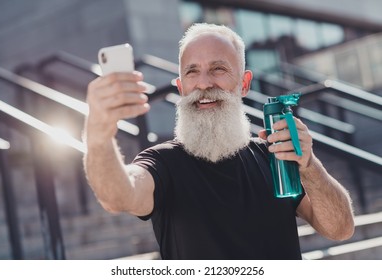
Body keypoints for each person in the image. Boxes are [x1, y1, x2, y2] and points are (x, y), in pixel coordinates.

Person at [83, 23, 354, 260]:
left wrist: (309, 166)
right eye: (192, 72)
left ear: (244, 83)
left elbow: (340, 228)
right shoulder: (161, 163)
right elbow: (118, 196)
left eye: (218, 69)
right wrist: (98, 135)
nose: (203, 83)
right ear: (180, 87)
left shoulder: (273, 155)